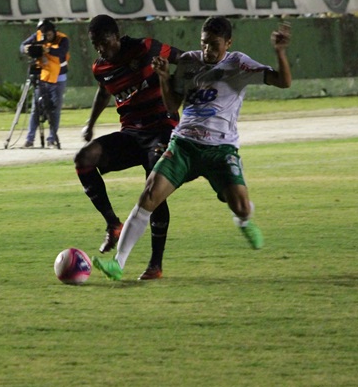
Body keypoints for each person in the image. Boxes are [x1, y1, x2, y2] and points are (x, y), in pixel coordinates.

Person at [93, 17, 292, 281]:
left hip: (220, 149)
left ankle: (243, 221)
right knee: (149, 196)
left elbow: (283, 82)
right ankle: (117, 263)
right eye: (204, 43)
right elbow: (172, 105)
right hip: (184, 144)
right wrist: (164, 77)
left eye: (214, 45)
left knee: (242, 207)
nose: (208, 50)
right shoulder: (189, 61)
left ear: (228, 43)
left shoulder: (238, 63)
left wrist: (279, 52)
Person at [76, 14, 186, 280]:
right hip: (132, 134)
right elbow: (105, 90)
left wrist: (177, 92)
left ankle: (155, 265)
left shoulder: (145, 47)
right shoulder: (100, 67)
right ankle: (113, 224)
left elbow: (184, 59)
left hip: (161, 129)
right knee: (84, 159)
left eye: (104, 42)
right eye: (96, 44)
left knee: (154, 191)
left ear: (117, 35)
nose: (101, 49)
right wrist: (90, 124)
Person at [19, 19, 69, 149]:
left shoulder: (62, 39)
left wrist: (46, 49)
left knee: (55, 109)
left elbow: (61, 52)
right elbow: (22, 46)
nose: (47, 36)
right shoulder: (38, 35)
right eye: (44, 34)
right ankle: (29, 139)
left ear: (54, 31)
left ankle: (51, 139)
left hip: (58, 78)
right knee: (36, 108)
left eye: (49, 34)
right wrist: (26, 49)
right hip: (43, 76)